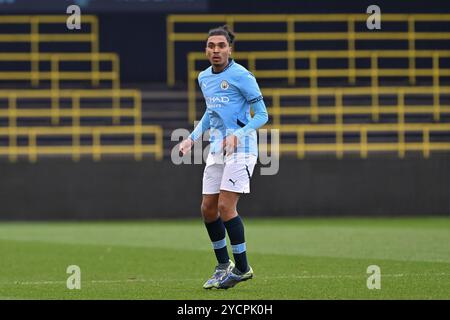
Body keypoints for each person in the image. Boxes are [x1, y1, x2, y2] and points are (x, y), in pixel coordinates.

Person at [179, 25, 268, 289]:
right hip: (218, 148)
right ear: (206, 50)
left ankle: (242, 267)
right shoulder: (204, 77)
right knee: (207, 209)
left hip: (242, 148)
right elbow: (211, 111)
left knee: (226, 207)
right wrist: (191, 138)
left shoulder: (242, 76)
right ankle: (222, 265)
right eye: (211, 46)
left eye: (221, 45)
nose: (216, 50)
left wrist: (238, 134)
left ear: (230, 49)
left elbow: (263, 115)